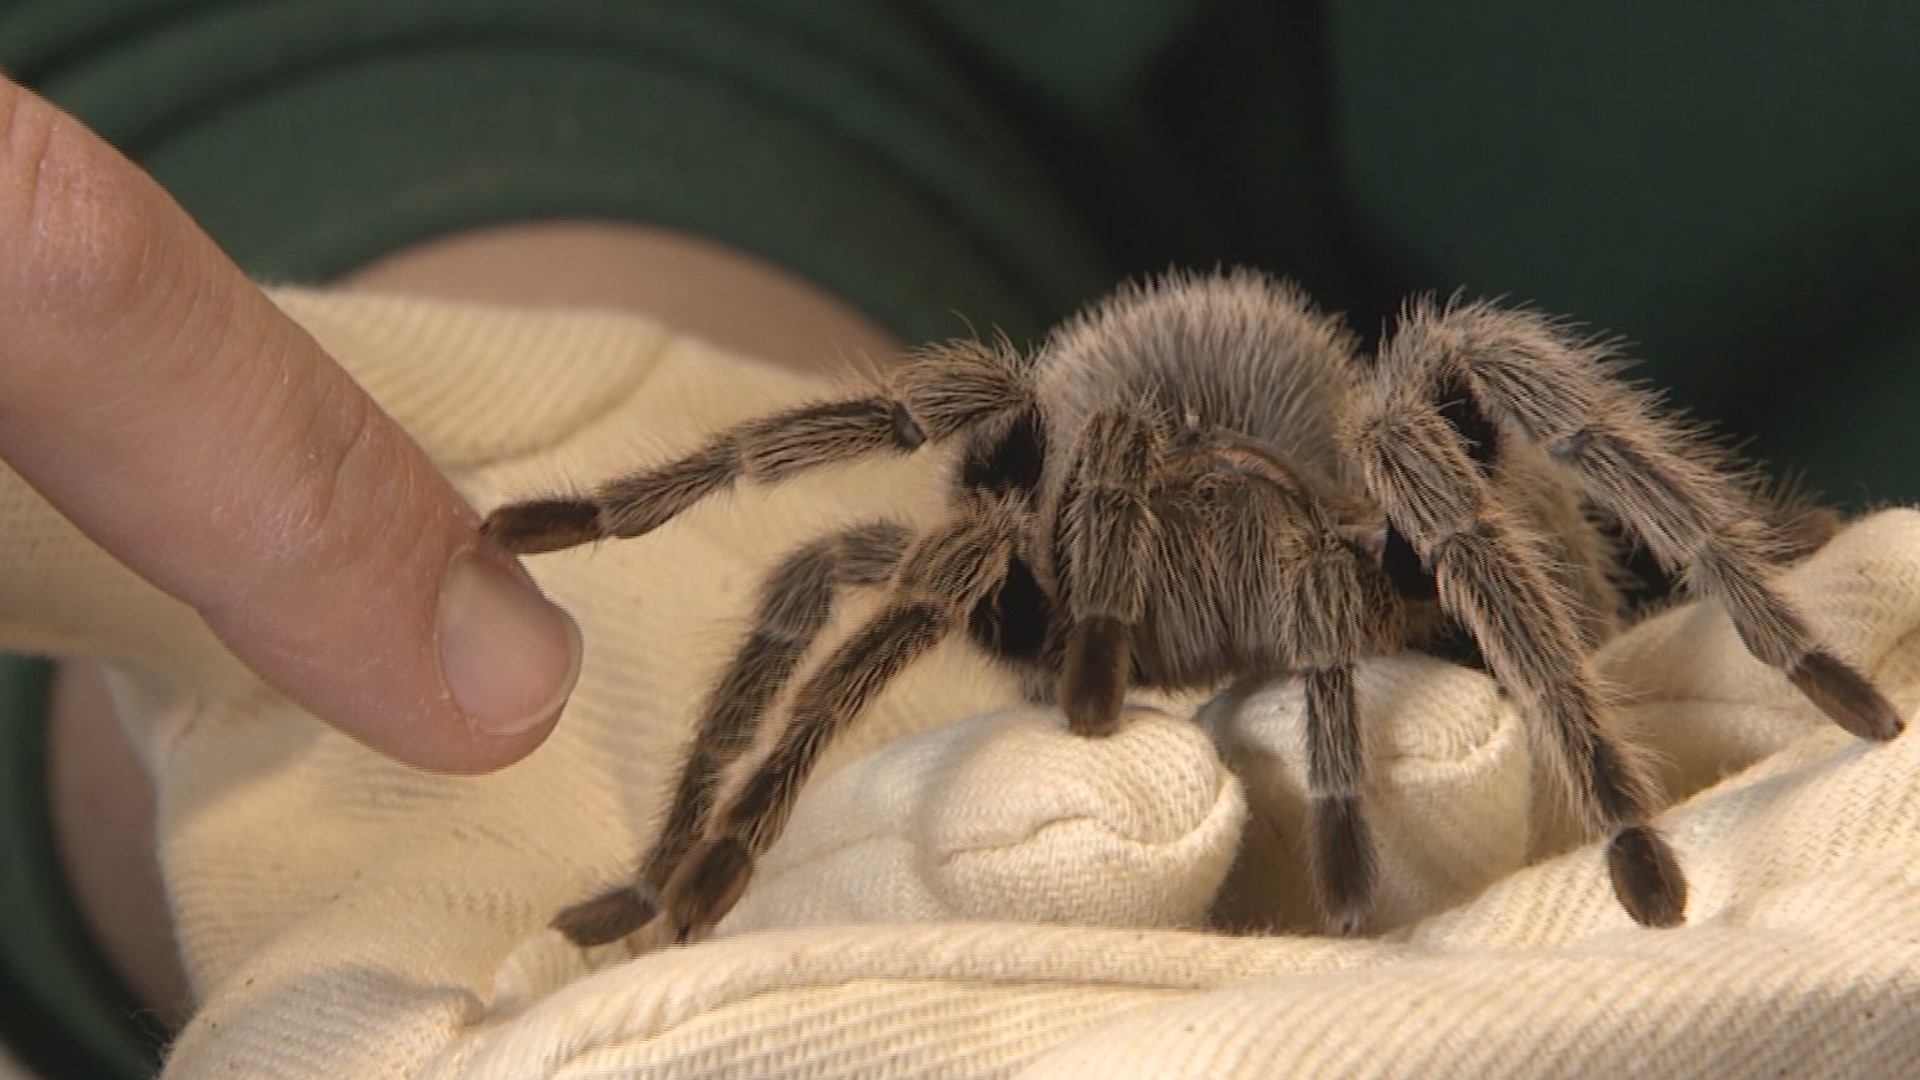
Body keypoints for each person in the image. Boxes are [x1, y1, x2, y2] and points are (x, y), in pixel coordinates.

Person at [3, 3, 1917, 1075]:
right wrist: (556, 518)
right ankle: (693, 856)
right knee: (862, 559)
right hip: (862, 201)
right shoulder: (1015, 504)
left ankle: (1744, 637)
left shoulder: (1376, 476)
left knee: (1471, 377)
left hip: (1482, 595)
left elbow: (1440, 489)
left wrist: (1743, 602)